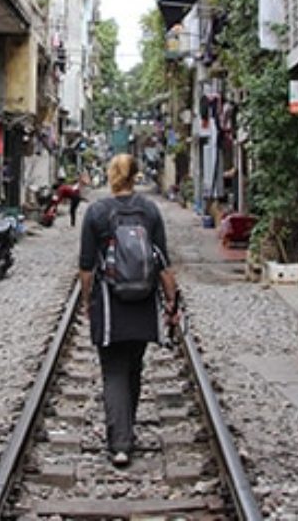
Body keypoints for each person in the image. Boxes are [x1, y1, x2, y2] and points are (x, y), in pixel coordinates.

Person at [77, 154, 181, 467]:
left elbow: (85, 267)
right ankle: (126, 432)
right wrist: (171, 302)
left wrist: (86, 301)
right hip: (143, 302)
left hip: (110, 304)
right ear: (135, 177)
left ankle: (120, 442)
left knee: (113, 371)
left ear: (111, 176)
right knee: (134, 366)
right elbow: (163, 264)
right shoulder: (149, 211)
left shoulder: (96, 212)